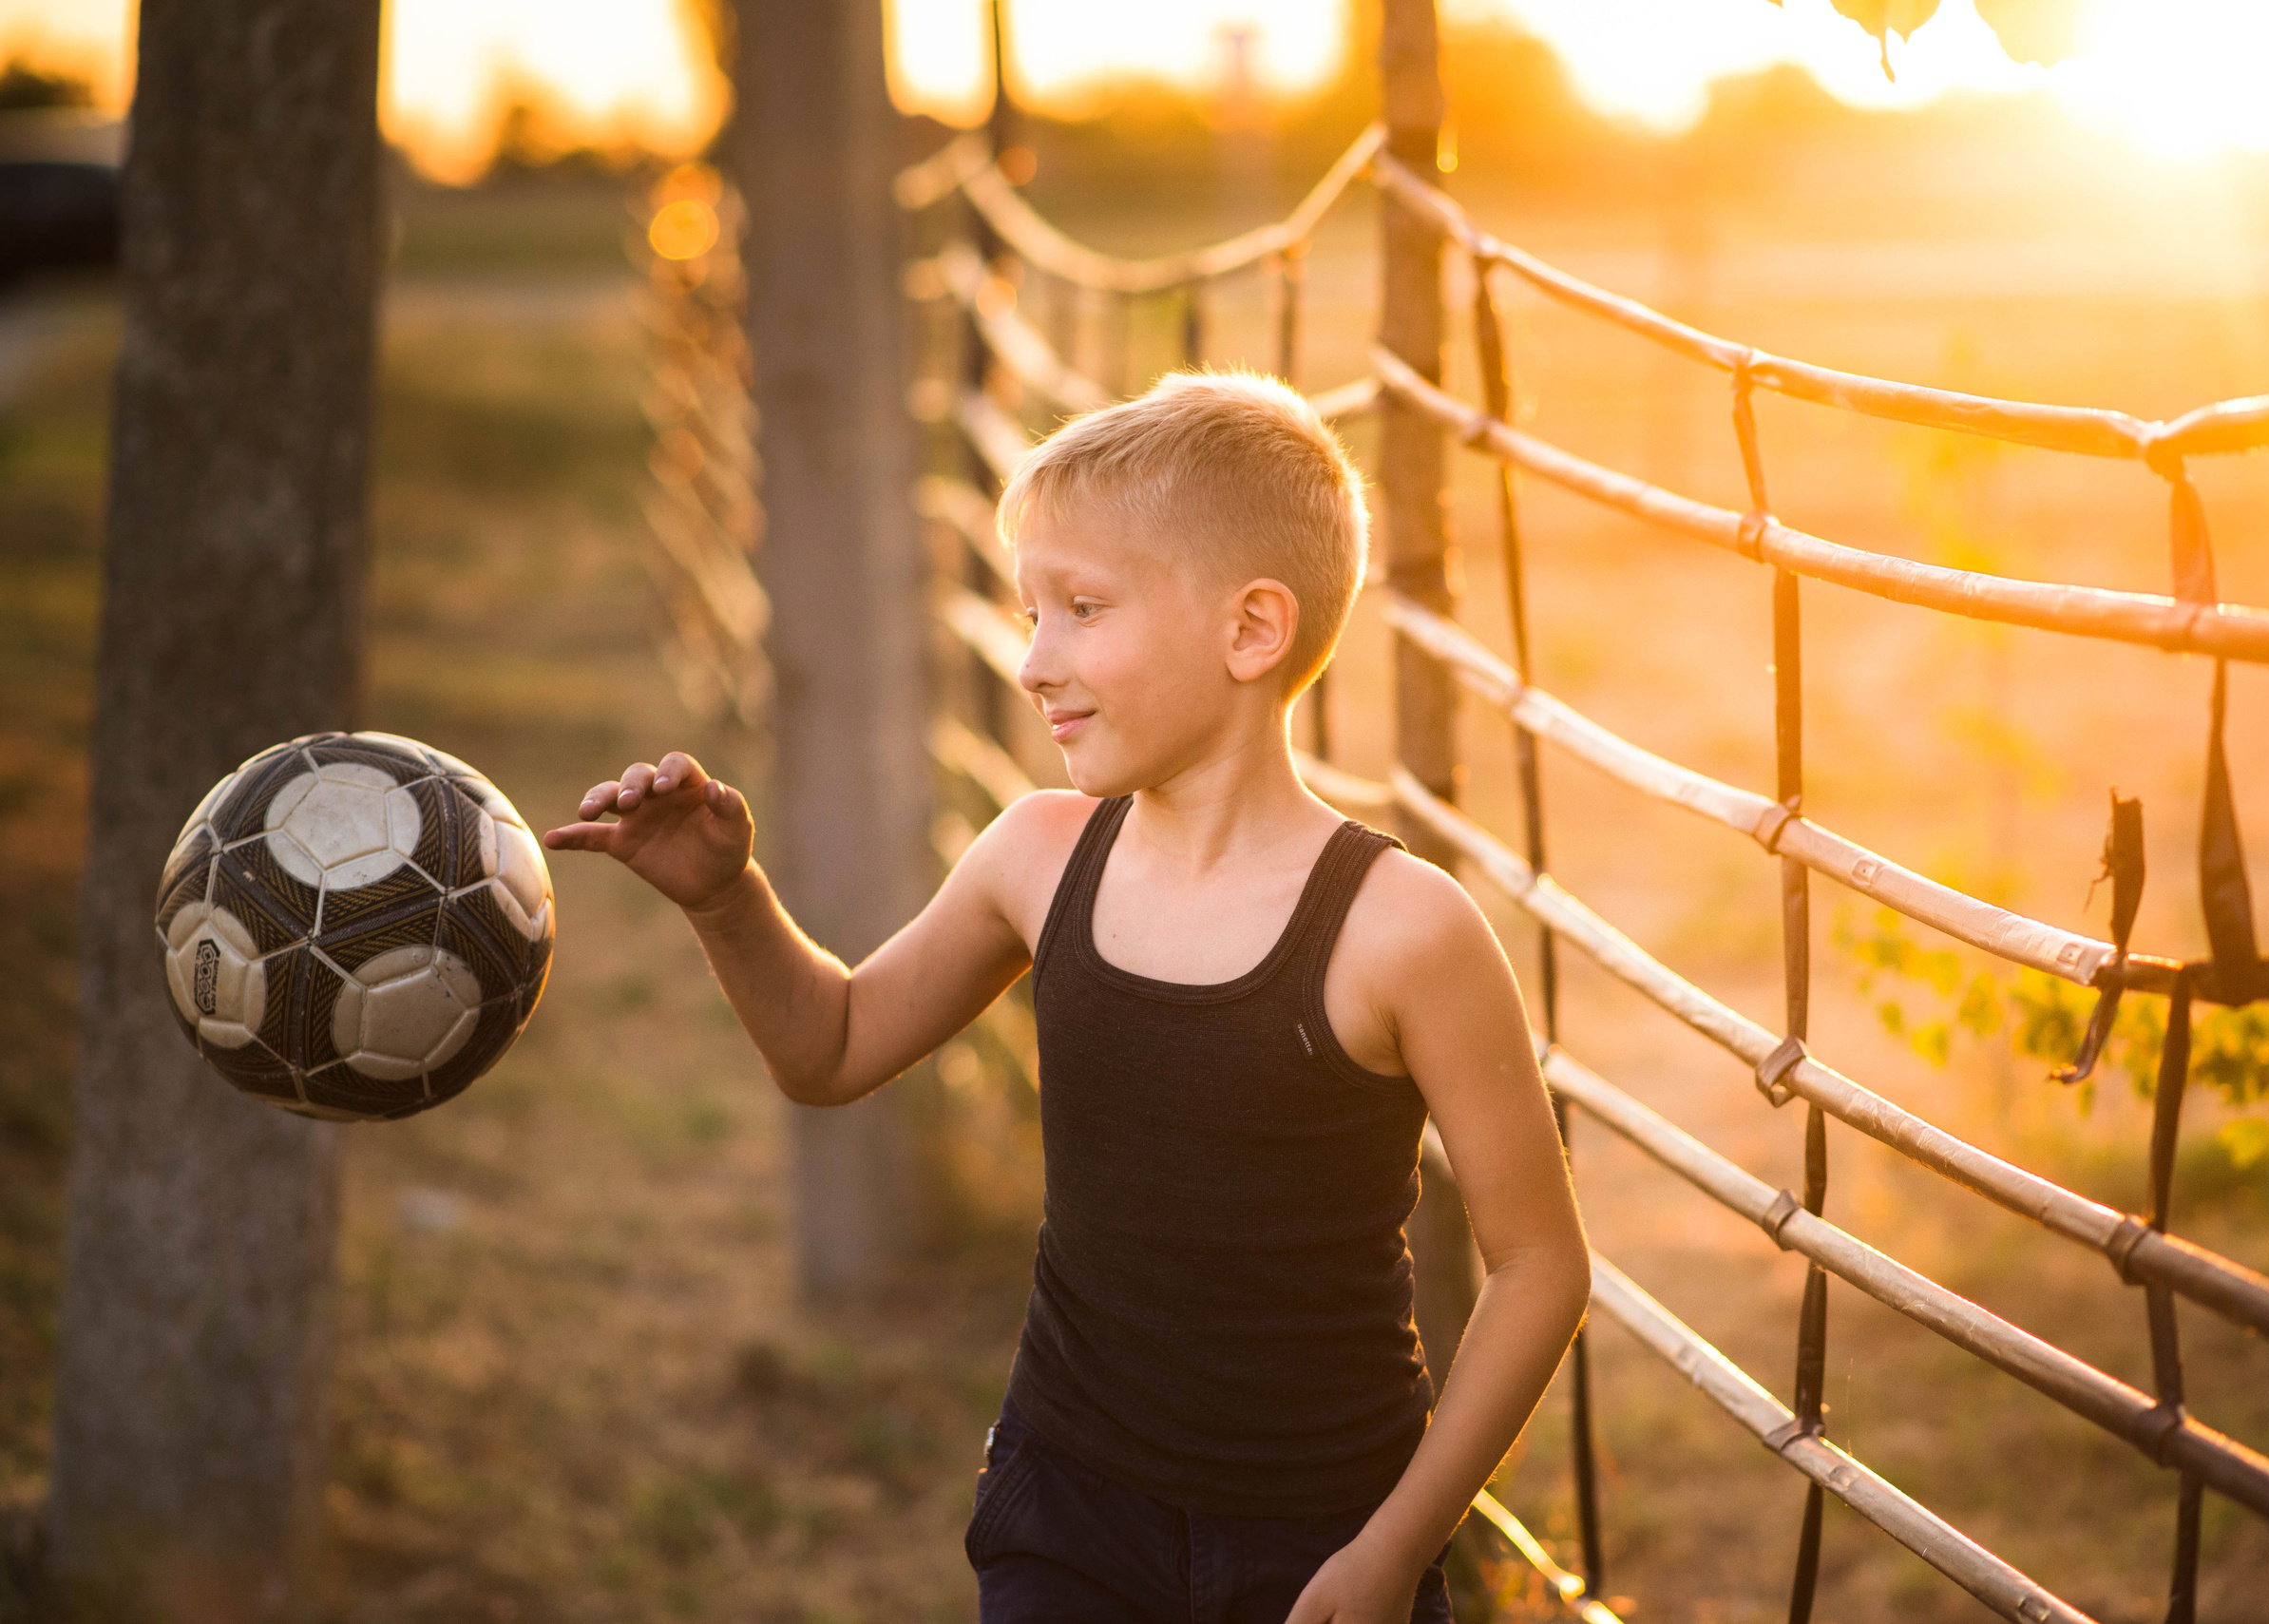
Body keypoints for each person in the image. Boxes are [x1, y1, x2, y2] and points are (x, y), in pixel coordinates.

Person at [543, 371, 1592, 1623]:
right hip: (1069, 1513)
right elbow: (829, 1047)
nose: (1038, 661)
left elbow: (1540, 1265)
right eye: (1032, 610)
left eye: (1083, 609)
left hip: (1328, 1535)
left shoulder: (1402, 929)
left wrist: (1393, 1550)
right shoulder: (1038, 857)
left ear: (1251, 631)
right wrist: (726, 897)